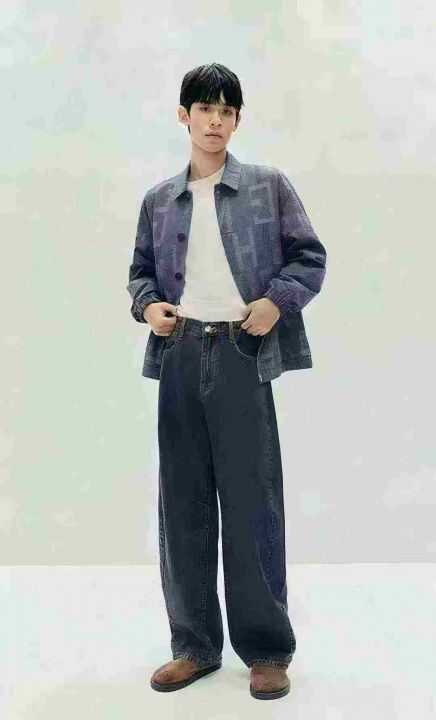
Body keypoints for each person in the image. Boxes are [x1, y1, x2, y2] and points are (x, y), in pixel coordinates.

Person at [126, 63, 327, 700]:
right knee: (182, 503)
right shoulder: (160, 200)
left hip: (243, 350)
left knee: (252, 504)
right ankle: (194, 646)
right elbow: (140, 273)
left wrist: (275, 303)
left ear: (237, 120)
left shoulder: (267, 186)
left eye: (226, 111)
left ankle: (266, 650)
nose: (215, 121)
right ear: (183, 115)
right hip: (180, 351)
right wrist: (148, 308)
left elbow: (309, 258)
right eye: (204, 109)